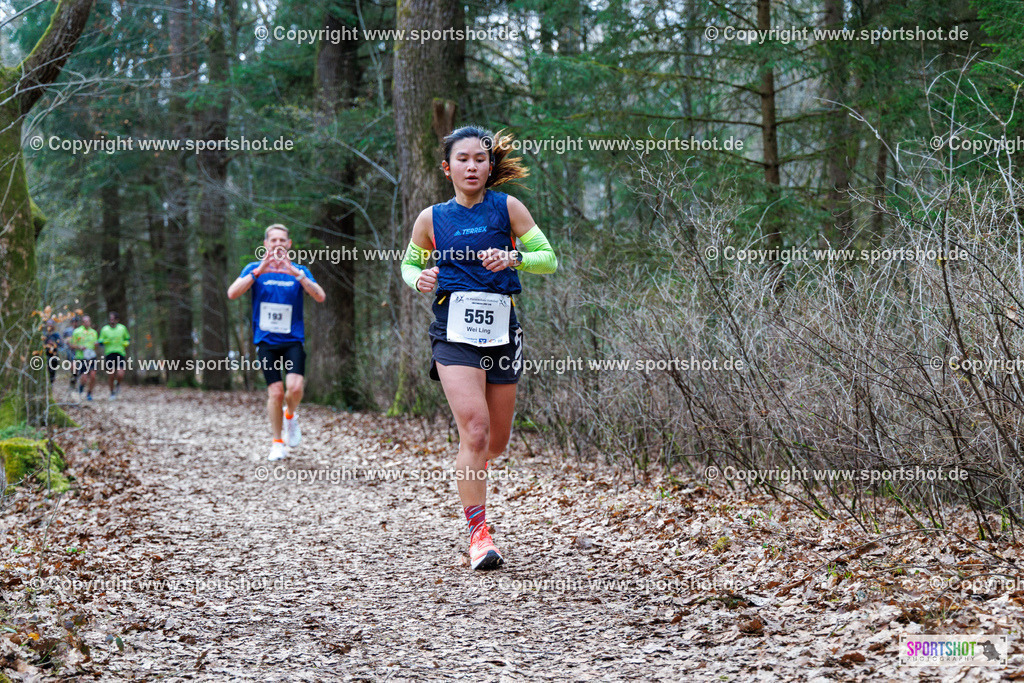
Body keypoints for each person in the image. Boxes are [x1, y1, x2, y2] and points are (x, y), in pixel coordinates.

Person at [400, 126, 557, 570]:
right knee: (475, 430)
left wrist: (514, 257)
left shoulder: (508, 208)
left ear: (490, 167)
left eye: (480, 159)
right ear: (447, 168)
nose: (472, 166)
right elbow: (409, 264)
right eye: (463, 159)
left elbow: (549, 259)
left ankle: (471, 468)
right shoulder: (431, 218)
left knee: (496, 442)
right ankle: (479, 536)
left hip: (502, 332)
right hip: (452, 332)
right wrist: (419, 278)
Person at [227, 224, 325, 461]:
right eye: (274, 240)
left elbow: (320, 296)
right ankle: (277, 443)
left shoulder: (299, 270)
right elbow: (232, 293)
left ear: (289, 244)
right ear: (266, 244)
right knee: (276, 392)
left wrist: (297, 275)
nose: (278, 244)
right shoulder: (254, 269)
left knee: (295, 388)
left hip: (292, 340)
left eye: (282, 240)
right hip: (266, 342)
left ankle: (290, 416)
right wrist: (258, 271)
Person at [98, 311, 130, 399]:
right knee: (111, 375)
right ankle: (112, 393)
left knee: (120, 374)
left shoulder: (122, 328)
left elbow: (128, 339)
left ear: (117, 320)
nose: (111, 321)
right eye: (110, 319)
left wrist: (126, 343)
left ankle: (118, 384)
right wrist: (105, 341)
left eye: (113, 319)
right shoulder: (105, 329)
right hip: (109, 354)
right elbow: (100, 341)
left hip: (120, 353)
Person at [69, 315, 99, 401]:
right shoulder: (77, 331)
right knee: (84, 377)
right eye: (85, 321)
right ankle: (81, 388)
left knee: (93, 376)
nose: (87, 323)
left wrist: (96, 345)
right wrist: (79, 347)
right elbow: (71, 344)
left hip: (92, 356)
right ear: (82, 323)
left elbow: (95, 346)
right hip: (81, 357)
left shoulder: (94, 332)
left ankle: (89, 393)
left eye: (88, 321)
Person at [43, 320, 61, 386]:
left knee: (52, 372)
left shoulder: (56, 335)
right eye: (48, 324)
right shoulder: (44, 334)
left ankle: (51, 385)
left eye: (50, 324)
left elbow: (60, 344)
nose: (49, 326)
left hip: (54, 356)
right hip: (45, 355)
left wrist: (53, 343)